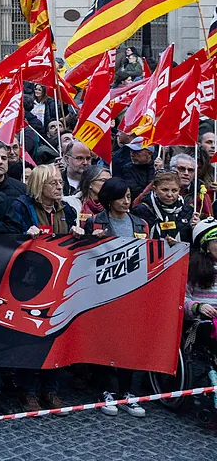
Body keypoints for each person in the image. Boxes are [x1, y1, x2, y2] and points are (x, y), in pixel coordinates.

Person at [84, 177, 150, 417]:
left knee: (128, 342)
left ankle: (126, 392)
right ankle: (105, 390)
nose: (126, 201)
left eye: (129, 196)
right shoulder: (95, 222)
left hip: (130, 291)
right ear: (109, 200)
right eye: (121, 197)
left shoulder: (141, 224)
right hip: (101, 290)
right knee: (104, 341)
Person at [14, 165, 82, 237]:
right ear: (39, 185)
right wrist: (26, 235)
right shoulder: (22, 207)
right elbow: (12, 239)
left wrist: (76, 232)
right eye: (53, 183)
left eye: (61, 182)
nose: (60, 187)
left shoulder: (66, 208)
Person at [132, 171, 197, 244]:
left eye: (174, 191)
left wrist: (196, 228)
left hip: (182, 253)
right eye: (164, 190)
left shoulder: (188, 211)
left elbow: (194, 243)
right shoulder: (141, 210)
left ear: (179, 190)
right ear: (155, 189)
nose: (169, 194)